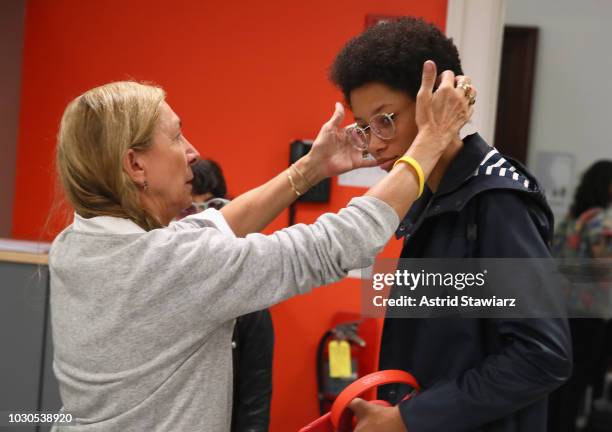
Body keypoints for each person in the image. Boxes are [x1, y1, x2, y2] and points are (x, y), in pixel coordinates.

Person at [49, 62, 473, 431]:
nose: (192, 152)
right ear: (135, 164)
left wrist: (309, 169)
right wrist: (429, 141)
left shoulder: (76, 244)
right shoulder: (172, 267)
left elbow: (207, 230)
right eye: (177, 137)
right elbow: (337, 243)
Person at [329, 18, 572, 431]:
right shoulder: (431, 195)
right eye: (366, 128)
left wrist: (409, 419)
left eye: (386, 119)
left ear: (437, 97)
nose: (374, 144)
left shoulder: (496, 199)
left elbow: (541, 355)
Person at [182, 159, 275, 432]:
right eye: (189, 210)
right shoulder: (152, 285)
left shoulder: (250, 303)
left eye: (210, 207)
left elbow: (254, 404)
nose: (200, 222)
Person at [548, 160, 612, 432]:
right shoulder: (600, 221)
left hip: (561, 310)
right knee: (582, 379)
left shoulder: (569, 220)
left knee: (559, 380)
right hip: (589, 312)